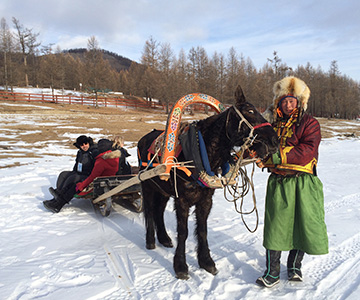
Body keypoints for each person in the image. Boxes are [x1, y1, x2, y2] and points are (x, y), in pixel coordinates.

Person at [256, 76, 328, 288]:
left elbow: (307, 151)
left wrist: (272, 156)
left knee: (302, 224)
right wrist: (258, 155)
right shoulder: (271, 125)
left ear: (300, 102)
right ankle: (272, 272)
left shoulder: (310, 123)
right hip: (279, 182)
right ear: (278, 102)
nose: (288, 105)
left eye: (292, 101)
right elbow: (260, 146)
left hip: (304, 181)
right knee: (276, 227)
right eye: (284, 101)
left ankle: (295, 266)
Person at [43, 138, 121, 213]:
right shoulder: (115, 158)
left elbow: (92, 177)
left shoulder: (101, 161)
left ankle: (58, 205)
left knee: (74, 186)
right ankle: (56, 201)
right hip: (105, 182)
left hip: (97, 185)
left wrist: (81, 186)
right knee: (74, 183)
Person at [48, 135, 98, 199]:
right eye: (82, 145)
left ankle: (62, 194)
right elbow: (77, 163)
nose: (84, 146)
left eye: (86, 144)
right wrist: (74, 171)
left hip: (88, 175)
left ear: (89, 143)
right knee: (63, 174)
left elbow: (96, 166)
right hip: (79, 172)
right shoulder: (80, 152)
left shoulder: (93, 152)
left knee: (72, 178)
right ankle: (58, 191)